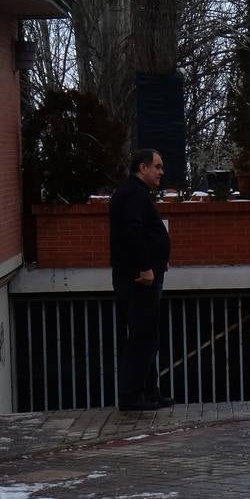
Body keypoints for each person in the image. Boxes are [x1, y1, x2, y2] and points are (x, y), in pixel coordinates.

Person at [109, 148, 173, 411]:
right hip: (139, 280)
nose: (161, 172)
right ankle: (133, 396)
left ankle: (149, 391)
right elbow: (132, 231)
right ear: (142, 168)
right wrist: (146, 267)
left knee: (148, 335)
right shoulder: (133, 194)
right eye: (157, 167)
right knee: (141, 336)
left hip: (139, 277)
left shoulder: (133, 193)